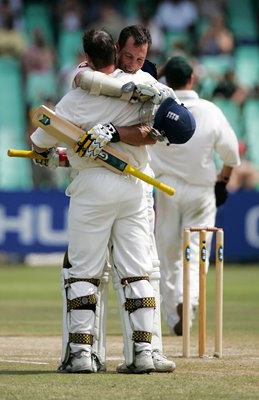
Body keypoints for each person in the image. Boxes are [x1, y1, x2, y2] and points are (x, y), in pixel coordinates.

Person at [31, 29, 194, 374]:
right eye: (130, 56)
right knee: (138, 271)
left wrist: (48, 154)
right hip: (134, 186)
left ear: (86, 56)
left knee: (84, 273)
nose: (135, 63)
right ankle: (144, 352)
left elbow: (40, 141)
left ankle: (81, 354)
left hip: (92, 187)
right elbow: (154, 131)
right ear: (117, 51)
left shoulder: (75, 99)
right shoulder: (142, 86)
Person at [148, 56, 240, 336]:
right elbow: (232, 155)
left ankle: (175, 314)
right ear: (192, 80)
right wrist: (222, 181)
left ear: (167, 81)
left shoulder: (158, 110)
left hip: (166, 188)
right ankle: (189, 301)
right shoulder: (210, 111)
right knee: (196, 256)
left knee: (167, 254)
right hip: (201, 190)